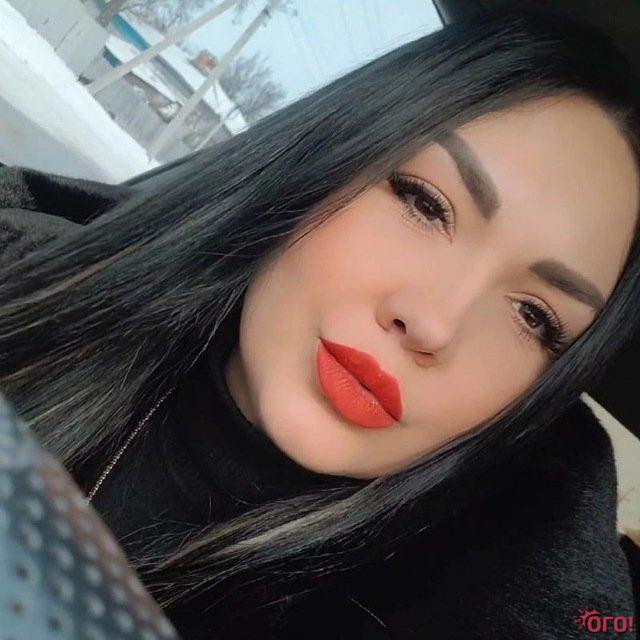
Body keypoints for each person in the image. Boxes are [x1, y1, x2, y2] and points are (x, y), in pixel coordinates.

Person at [0, 7, 638, 639]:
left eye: (534, 317)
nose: (433, 324)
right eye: (425, 204)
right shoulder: (27, 276)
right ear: (326, 158)